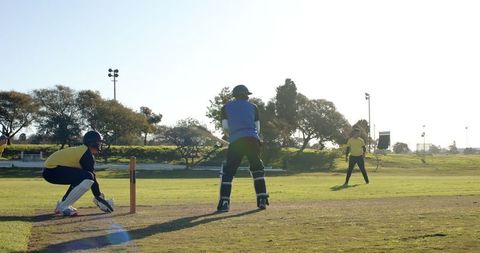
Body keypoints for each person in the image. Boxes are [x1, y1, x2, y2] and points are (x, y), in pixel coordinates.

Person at [217, 84, 269, 212]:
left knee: (228, 172)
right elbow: (257, 128)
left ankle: (224, 202)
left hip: (236, 141)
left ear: (234, 95)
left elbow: (225, 127)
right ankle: (262, 199)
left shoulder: (226, 107)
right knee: (257, 169)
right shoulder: (253, 107)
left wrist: (233, 136)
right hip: (252, 140)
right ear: (246, 95)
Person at [42, 130, 113, 216]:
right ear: (92, 143)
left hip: (50, 170)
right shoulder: (86, 154)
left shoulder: (83, 151)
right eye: (98, 142)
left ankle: (62, 204)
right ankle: (63, 206)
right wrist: (99, 198)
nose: (99, 145)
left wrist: (98, 197)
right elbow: (92, 177)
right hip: (52, 170)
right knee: (88, 177)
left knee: (82, 178)